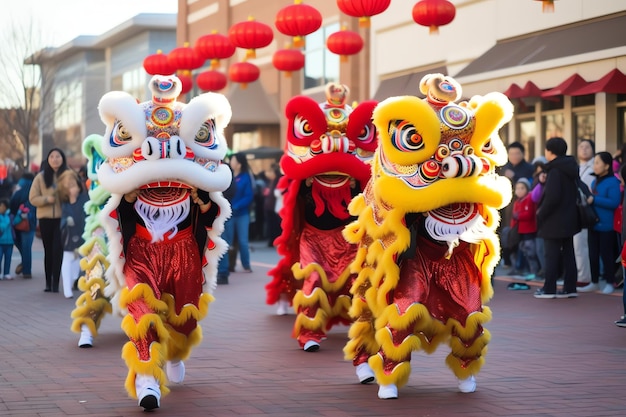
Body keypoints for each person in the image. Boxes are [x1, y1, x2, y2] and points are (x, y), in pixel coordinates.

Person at [534, 137, 580, 299]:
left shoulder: (555, 170)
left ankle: (549, 288)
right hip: (569, 218)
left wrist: (541, 212)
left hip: (553, 220)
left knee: (551, 255)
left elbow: (552, 198)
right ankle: (570, 288)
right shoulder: (570, 167)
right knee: (568, 253)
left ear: (550, 151)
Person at [579, 152, 621, 294]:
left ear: (607, 165)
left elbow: (614, 203)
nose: (594, 165)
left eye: (597, 162)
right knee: (593, 254)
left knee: (606, 255)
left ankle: (610, 282)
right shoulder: (594, 181)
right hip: (593, 223)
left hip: (606, 225)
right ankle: (594, 282)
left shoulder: (613, 182)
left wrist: (595, 200)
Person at [29, 148, 69, 293]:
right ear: (48, 159)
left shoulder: (67, 176)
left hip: (61, 219)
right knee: (48, 251)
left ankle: (56, 283)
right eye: (52, 156)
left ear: (62, 158)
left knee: (58, 250)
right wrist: (47, 199)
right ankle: (48, 282)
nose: (55, 159)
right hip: (45, 219)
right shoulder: (40, 177)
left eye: (58, 156)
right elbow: (32, 198)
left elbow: (75, 195)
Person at [499, 142, 534, 270]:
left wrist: (515, 176)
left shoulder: (529, 168)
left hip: (522, 206)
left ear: (523, 154)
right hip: (505, 205)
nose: (514, 156)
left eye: (517, 153)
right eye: (511, 153)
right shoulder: (504, 167)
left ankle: (521, 264)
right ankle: (507, 259)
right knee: (506, 232)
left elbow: (530, 185)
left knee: (519, 233)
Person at [58, 170, 89, 299]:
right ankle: (67, 289)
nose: (73, 189)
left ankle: (74, 280)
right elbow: (61, 219)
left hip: (82, 233)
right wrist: (65, 221)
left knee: (80, 262)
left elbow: (88, 214)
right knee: (67, 259)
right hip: (69, 236)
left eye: (74, 185)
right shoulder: (63, 203)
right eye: (69, 186)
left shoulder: (84, 199)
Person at [223, 152, 254, 274]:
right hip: (229, 213)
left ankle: (246, 264)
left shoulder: (246, 177)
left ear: (239, 164)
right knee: (228, 241)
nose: (231, 162)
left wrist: (237, 205)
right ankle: (229, 265)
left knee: (242, 241)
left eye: (233, 160)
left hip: (241, 213)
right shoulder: (228, 175)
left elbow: (249, 195)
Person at [574, 139, 595, 286]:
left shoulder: (595, 166)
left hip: (588, 210)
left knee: (584, 245)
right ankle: (581, 276)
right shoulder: (576, 167)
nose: (584, 149)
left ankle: (584, 277)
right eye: (581, 147)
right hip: (576, 210)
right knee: (578, 245)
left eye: (587, 147)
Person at [510, 178, 540, 280]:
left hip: (529, 230)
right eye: (517, 188)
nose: (519, 190)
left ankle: (534, 271)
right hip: (520, 231)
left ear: (527, 189)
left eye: (522, 188)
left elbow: (529, 214)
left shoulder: (529, 199)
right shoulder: (517, 201)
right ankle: (527, 270)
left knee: (531, 251)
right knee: (524, 251)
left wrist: (518, 216)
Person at [9, 173, 37, 279]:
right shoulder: (34, 192)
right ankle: (26, 271)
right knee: (27, 248)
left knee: (18, 243)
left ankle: (24, 265)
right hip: (30, 223)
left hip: (16, 222)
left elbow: (12, 205)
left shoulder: (18, 191)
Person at [263, 163, 282, 247]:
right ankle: (272, 240)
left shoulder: (278, 180)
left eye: (270, 172)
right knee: (271, 225)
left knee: (276, 225)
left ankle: (275, 240)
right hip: (270, 206)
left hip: (276, 206)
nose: (268, 174)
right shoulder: (271, 181)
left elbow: (278, 193)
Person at [0, 199, 15, 280]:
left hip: (9, 241)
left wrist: (20, 215)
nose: (1, 208)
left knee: (8, 258)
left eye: (3, 206)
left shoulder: (10, 216)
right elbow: (2, 226)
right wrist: (7, 220)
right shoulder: (8, 217)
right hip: (1, 242)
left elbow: (15, 223)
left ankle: (6, 273)